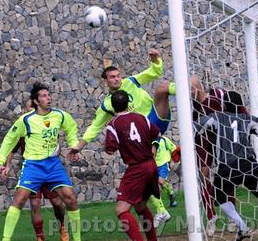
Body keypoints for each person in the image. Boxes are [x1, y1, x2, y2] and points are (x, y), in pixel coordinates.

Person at [0, 82, 81, 241]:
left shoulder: (60, 115)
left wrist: (73, 145)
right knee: (20, 200)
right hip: (33, 166)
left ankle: (75, 237)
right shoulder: (25, 120)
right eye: (44, 96)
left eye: (49, 95)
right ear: (35, 101)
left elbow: (71, 128)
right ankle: (6, 239)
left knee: (70, 199)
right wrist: (1, 162)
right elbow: (9, 140)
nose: (48, 98)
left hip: (53, 165)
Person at [195, 110, 258, 240]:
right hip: (249, 164)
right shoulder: (248, 118)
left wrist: (192, 138)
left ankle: (242, 227)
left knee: (219, 196)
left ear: (225, 105)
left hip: (227, 166)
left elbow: (197, 125)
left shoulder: (217, 117)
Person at [74, 48, 175, 153]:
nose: (117, 79)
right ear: (105, 81)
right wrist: (79, 147)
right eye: (112, 77)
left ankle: (187, 89)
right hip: (142, 131)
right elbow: (95, 127)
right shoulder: (107, 105)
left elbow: (154, 72)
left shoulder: (130, 82)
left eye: (118, 76)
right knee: (149, 161)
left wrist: (155, 60)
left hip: (156, 115)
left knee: (162, 88)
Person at [190, 76, 248, 236]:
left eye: (191, 88)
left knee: (227, 176)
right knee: (203, 175)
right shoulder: (191, 105)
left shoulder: (217, 98)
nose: (188, 92)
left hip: (221, 140)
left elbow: (239, 109)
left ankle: (232, 217)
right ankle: (211, 216)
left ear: (198, 88)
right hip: (203, 141)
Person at [104, 90, 160, 241]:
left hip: (137, 169)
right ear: (128, 103)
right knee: (140, 206)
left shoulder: (114, 124)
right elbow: (157, 134)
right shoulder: (141, 118)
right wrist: (153, 148)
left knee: (121, 210)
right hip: (151, 165)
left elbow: (110, 149)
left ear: (112, 106)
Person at [148, 135, 180, 228]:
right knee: (155, 186)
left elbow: (174, 149)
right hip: (154, 166)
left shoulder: (165, 139)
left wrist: (173, 161)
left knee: (159, 183)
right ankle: (170, 192)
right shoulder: (150, 140)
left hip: (163, 165)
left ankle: (162, 210)